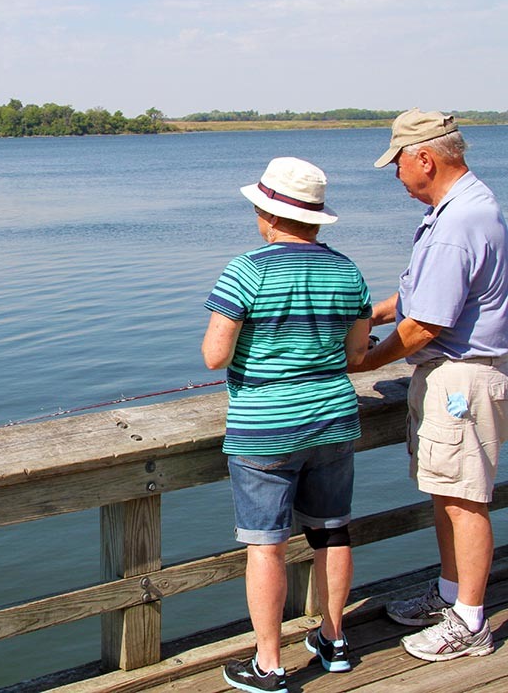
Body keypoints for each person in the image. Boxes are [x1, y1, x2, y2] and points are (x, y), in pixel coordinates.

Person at [203, 157, 372, 693]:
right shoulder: (347, 270)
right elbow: (356, 354)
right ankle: (334, 639)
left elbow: (214, 355)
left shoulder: (247, 269)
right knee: (332, 530)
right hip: (334, 419)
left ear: (267, 213)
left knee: (266, 545)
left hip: (266, 428)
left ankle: (270, 664)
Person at [350, 108, 508, 661]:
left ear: (424, 157)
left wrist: (367, 362)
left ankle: (470, 623)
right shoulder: (467, 208)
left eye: (397, 163)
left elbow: (428, 324)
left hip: (462, 378)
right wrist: (376, 312)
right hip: (461, 376)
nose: (396, 175)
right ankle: (450, 596)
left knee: (465, 499)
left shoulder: (458, 222)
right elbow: (423, 299)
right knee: (448, 491)